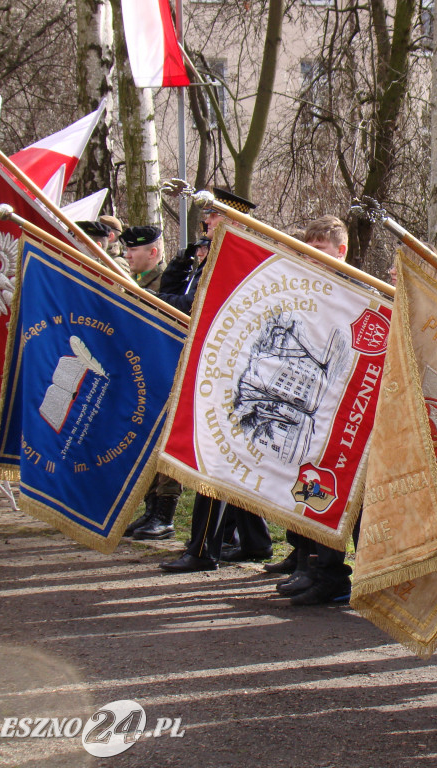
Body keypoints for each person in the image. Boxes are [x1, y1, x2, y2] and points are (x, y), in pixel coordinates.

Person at [160, 189, 273, 574]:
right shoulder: (208, 255)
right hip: (218, 367)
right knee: (226, 457)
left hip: (233, 372)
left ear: (235, 220)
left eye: (214, 216)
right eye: (208, 216)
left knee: (213, 457)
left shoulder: (243, 258)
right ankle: (256, 542)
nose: (207, 223)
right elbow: (177, 293)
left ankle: (203, 549)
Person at [275, 216, 356, 606]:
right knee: (306, 483)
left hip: (341, 410)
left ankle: (333, 574)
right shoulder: (310, 289)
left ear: (341, 251)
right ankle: (308, 566)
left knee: (331, 487)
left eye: (320, 250)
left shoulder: (358, 293)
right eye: (308, 248)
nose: (312, 256)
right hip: (310, 405)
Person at [116, 225, 183, 541]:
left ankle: (164, 515)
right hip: (141, 373)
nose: (127, 255)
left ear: (153, 253)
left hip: (166, 374)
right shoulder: (135, 283)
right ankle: (150, 508)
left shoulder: (171, 283)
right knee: (145, 442)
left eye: (133, 251)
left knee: (165, 445)